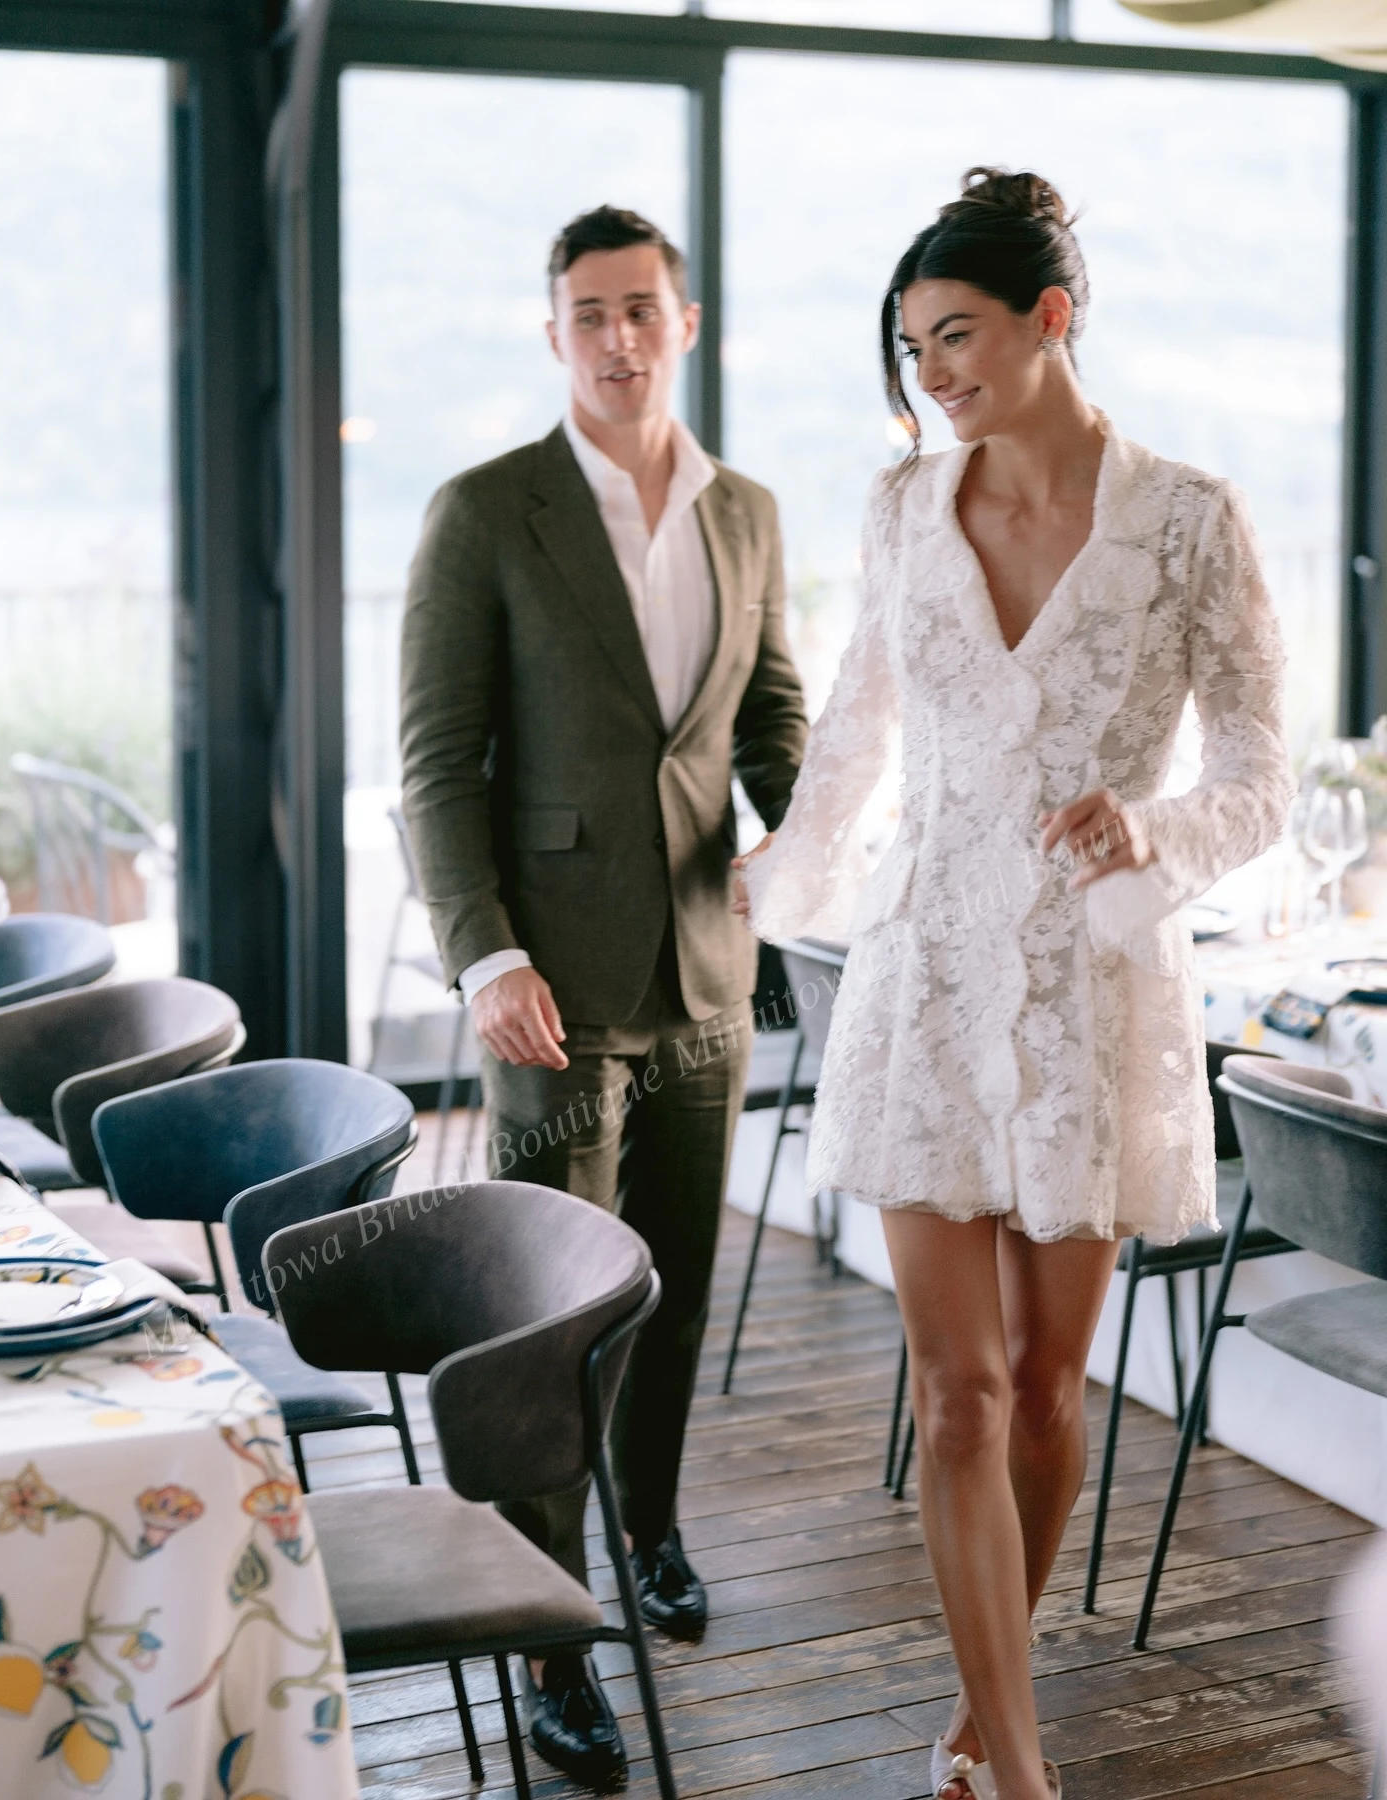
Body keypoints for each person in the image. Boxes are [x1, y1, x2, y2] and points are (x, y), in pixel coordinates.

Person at [734, 167, 1292, 1800]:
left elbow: (1259, 775)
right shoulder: (906, 507)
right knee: (959, 1393)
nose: (936, 378)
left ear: (1053, 318)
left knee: (1052, 1389)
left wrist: (1157, 822)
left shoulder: (1193, 519)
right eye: (912, 350)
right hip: (922, 974)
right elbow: (856, 730)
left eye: (958, 337)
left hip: (1094, 990)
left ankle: (987, 1715)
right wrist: (781, 888)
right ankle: (1025, 1769)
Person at [399, 203, 808, 1791]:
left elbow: (772, 730)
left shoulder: (750, 514)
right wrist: (486, 952)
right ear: (554, 332)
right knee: (554, 1310)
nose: (620, 338)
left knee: (676, 1288)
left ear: (685, 323)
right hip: (548, 991)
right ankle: (549, 1629)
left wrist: (833, 844)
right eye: (590, 314)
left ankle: (648, 1533)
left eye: (643, 309)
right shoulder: (485, 513)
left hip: (705, 971)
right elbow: (438, 764)